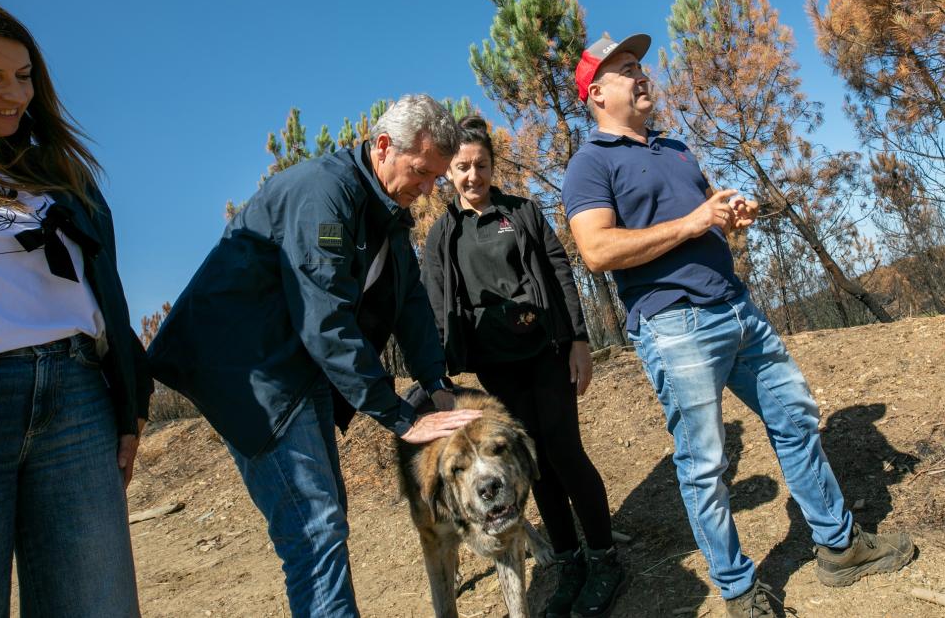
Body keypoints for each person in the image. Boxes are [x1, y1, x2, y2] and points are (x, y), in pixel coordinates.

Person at [561, 31, 915, 617]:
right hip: (676, 327)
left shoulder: (674, 149)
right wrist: (696, 221)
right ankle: (740, 590)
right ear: (597, 93)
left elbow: (705, 219)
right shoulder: (589, 164)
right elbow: (596, 250)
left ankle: (839, 546)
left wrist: (728, 214)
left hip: (737, 308)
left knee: (797, 418)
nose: (642, 74)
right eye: (627, 69)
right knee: (705, 464)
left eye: (641, 65)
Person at [148, 94, 482, 618]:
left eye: (435, 178)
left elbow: (409, 300)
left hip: (300, 369)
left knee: (325, 520)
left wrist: (435, 382)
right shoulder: (323, 195)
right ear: (382, 146)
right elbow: (324, 316)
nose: (427, 190)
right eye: (421, 173)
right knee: (314, 525)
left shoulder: (386, 212)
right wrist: (399, 416)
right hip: (252, 370)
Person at [0, 0, 151, 616]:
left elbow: (109, 296)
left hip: (76, 399)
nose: (13, 94)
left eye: (23, 75)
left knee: (97, 603)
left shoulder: (59, 173)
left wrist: (130, 402)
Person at [423, 115, 627, 618]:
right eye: (463, 167)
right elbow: (430, 302)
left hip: (546, 353)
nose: (474, 176)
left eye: (482, 165)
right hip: (495, 369)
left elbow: (559, 273)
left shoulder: (525, 212)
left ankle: (604, 558)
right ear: (449, 171)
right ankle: (569, 561)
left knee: (562, 452)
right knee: (529, 466)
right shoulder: (443, 234)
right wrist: (434, 373)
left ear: (493, 166)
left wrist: (578, 339)